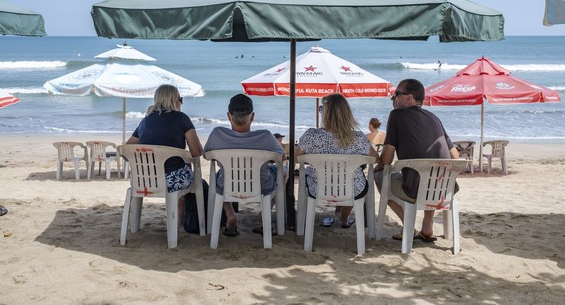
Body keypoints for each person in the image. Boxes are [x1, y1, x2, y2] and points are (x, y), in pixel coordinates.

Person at [374, 79, 459, 241]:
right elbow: (455, 157)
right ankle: (427, 225)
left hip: (414, 190)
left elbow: (386, 159)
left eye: (396, 94)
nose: (393, 98)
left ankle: (408, 226)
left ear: (410, 97)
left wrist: (377, 168)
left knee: (378, 176)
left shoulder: (396, 115)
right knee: (430, 175)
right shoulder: (434, 118)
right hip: (445, 189)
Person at [203, 94, 285, 237]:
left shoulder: (217, 134)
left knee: (217, 178)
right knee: (284, 172)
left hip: (227, 184)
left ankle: (230, 214)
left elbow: (206, 155)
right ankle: (264, 214)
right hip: (261, 186)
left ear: (229, 116)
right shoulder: (265, 136)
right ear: (252, 117)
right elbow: (281, 157)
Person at [295, 93, 378, 228]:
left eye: (321, 109)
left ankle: (339, 214)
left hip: (318, 188)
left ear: (325, 113)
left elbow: (297, 158)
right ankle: (344, 219)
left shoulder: (311, 135)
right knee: (352, 182)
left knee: (340, 181)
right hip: (353, 190)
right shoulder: (358, 138)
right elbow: (375, 159)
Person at [126, 84, 203, 221]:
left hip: (144, 180)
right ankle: (179, 219)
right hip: (172, 181)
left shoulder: (145, 121)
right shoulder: (182, 118)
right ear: (174, 99)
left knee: (182, 167)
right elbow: (196, 152)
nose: (181, 103)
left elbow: (127, 149)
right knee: (185, 169)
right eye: (181, 99)